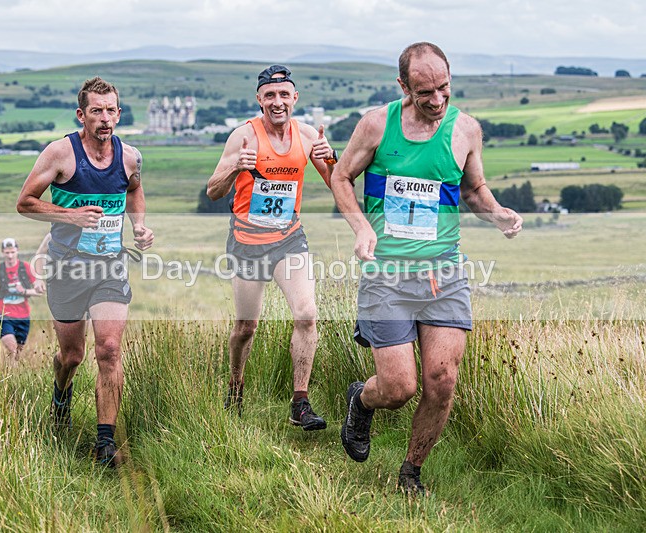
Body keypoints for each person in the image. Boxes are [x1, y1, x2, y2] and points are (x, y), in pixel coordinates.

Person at [331, 42, 523, 495]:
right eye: (424, 93)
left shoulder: (466, 131)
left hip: (444, 272)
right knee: (398, 388)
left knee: (442, 381)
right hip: (388, 276)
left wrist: (497, 214)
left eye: (444, 89)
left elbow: (473, 191)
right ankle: (362, 398)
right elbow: (341, 177)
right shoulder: (377, 125)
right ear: (403, 87)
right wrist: (361, 227)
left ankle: (410, 473)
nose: (436, 101)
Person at [16, 76, 154, 467]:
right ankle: (61, 395)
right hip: (67, 269)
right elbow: (25, 202)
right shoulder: (60, 154)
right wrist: (70, 215)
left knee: (109, 349)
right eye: (97, 111)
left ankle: (105, 443)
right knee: (71, 356)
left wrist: (138, 226)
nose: (105, 118)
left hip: (110, 267)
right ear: (82, 114)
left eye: (112, 110)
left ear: (119, 113)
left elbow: (134, 190)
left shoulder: (130, 157)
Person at [206, 65, 337, 430]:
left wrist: (331, 158)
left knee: (306, 313)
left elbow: (338, 184)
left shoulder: (309, 135)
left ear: (295, 98)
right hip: (248, 242)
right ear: (259, 99)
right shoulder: (242, 136)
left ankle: (300, 402)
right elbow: (213, 190)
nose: (277, 103)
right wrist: (235, 167)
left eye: (284, 95)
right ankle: (235, 384)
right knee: (247, 327)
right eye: (269, 96)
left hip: (289, 239)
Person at [0, 238, 39, 366]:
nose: (10, 256)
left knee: (17, 353)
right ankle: (10, 375)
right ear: (2, 252)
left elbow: (38, 290)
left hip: (23, 316)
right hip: (2, 314)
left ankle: (10, 374)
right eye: (7, 253)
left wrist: (24, 291)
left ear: (17, 251)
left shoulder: (26, 268)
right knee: (12, 348)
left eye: (12, 252)